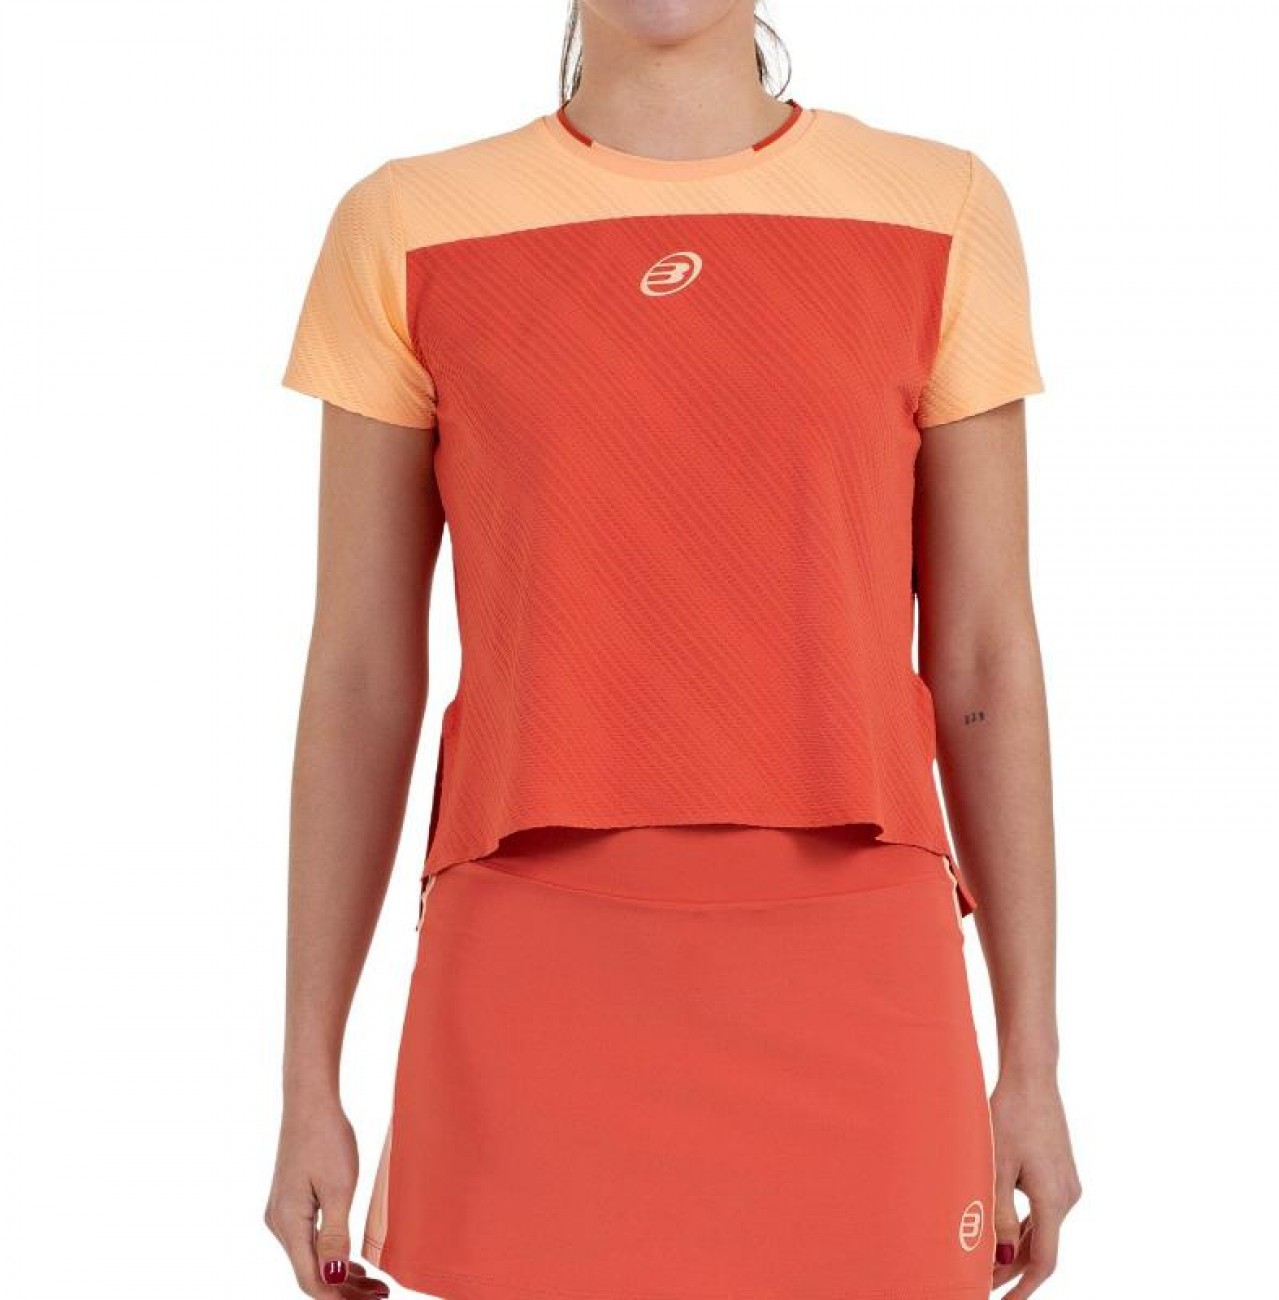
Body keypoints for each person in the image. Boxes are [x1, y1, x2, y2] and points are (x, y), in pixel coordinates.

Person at [263, 3, 1083, 1298]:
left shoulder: (941, 211)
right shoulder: (409, 225)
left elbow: (984, 660)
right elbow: (362, 673)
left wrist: (1030, 1061)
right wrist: (308, 1080)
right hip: (530, 978)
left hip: (859, 970)